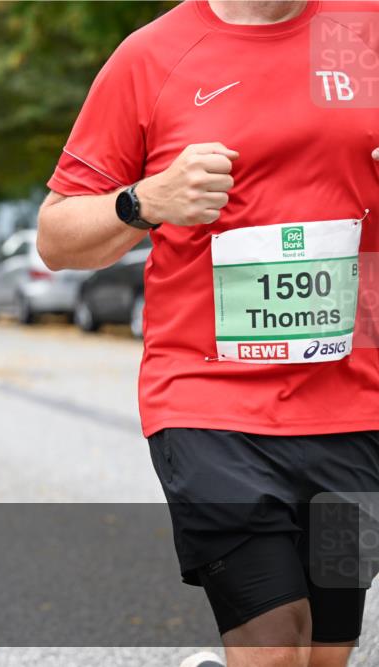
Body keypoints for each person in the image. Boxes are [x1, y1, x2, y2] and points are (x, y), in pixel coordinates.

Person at [37, 2, 379, 667]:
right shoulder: (153, 56)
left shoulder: (365, 33)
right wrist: (144, 200)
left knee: (328, 655)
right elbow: (54, 238)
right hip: (208, 403)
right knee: (275, 645)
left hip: (351, 405)